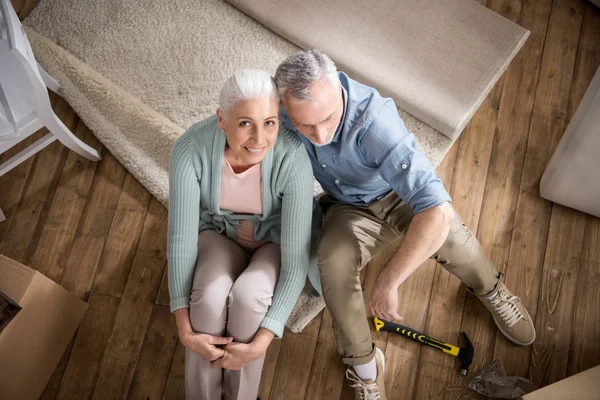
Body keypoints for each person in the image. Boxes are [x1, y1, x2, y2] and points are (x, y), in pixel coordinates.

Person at [274, 50, 536, 399]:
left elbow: (436, 211)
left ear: (339, 89)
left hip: (398, 197)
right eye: (306, 125)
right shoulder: (275, 110)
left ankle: (491, 289)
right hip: (346, 207)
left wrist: (388, 280)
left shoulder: (375, 122)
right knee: (332, 268)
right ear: (283, 104)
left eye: (329, 119)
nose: (319, 135)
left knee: (453, 241)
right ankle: (366, 367)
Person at [167, 69, 314, 400]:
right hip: (218, 235)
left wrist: (258, 345)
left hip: (273, 242)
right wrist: (185, 330)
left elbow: (295, 263)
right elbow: (181, 242)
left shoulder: (293, 158)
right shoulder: (190, 149)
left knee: (248, 300)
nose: (259, 139)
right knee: (206, 300)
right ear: (221, 120)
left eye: (270, 123)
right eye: (245, 123)